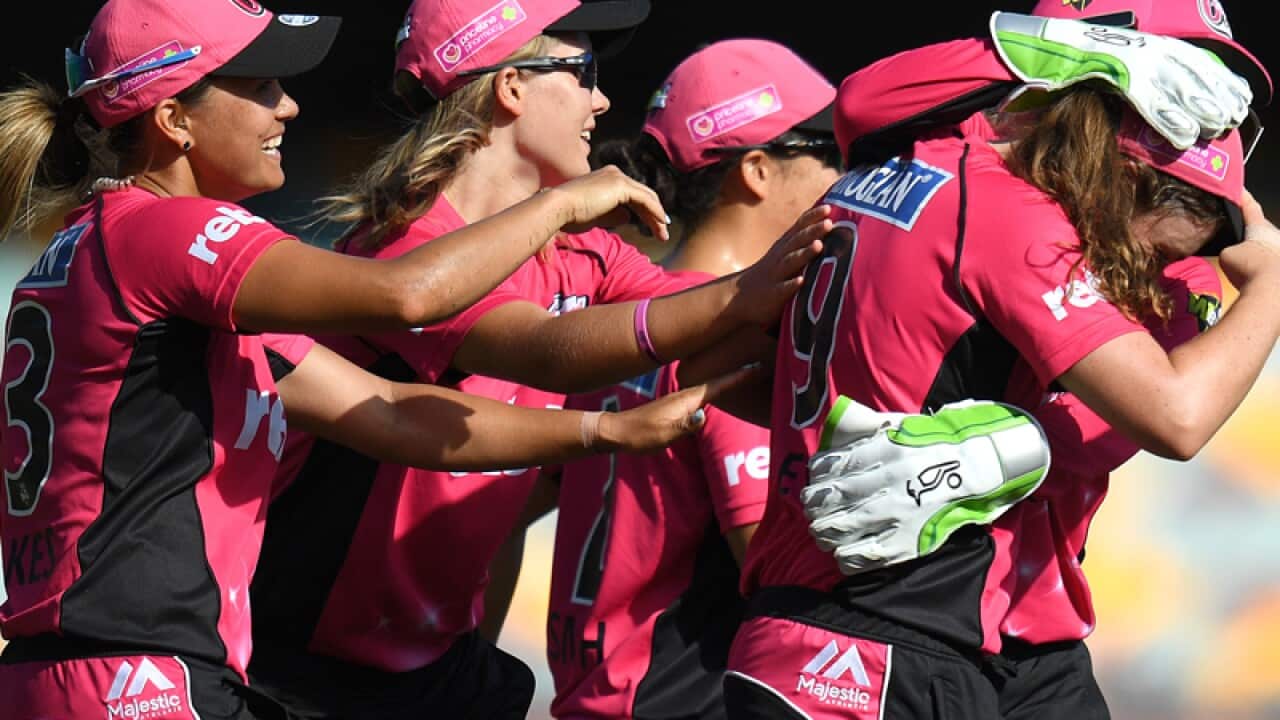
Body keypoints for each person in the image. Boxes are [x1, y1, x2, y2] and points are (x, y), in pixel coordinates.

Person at [0, 1, 759, 717]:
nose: (289, 107)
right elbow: (407, 296)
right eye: (261, 87)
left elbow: (394, 416)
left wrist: (607, 436)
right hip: (159, 671)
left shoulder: (141, 265)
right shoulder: (168, 235)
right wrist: (562, 203)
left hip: (126, 665)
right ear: (173, 120)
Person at [243, 2, 829, 718]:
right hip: (304, 673)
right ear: (511, 87)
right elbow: (546, 354)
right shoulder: (404, 243)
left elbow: (709, 331)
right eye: (582, 73)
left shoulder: (585, 249)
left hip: (438, 668)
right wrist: (743, 290)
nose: (602, 99)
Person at [722, 11, 1280, 720]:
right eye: (1183, 71)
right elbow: (1176, 414)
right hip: (868, 625)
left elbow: (1150, 391)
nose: (1208, 108)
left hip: (1016, 639)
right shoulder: (1005, 207)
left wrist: (1030, 438)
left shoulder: (941, 170)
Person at [542, 39, 842, 719]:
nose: (845, 175)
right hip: (680, 695)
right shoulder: (731, 336)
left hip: (603, 689)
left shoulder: (621, 317)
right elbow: (772, 561)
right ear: (758, 171)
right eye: (827, 152)